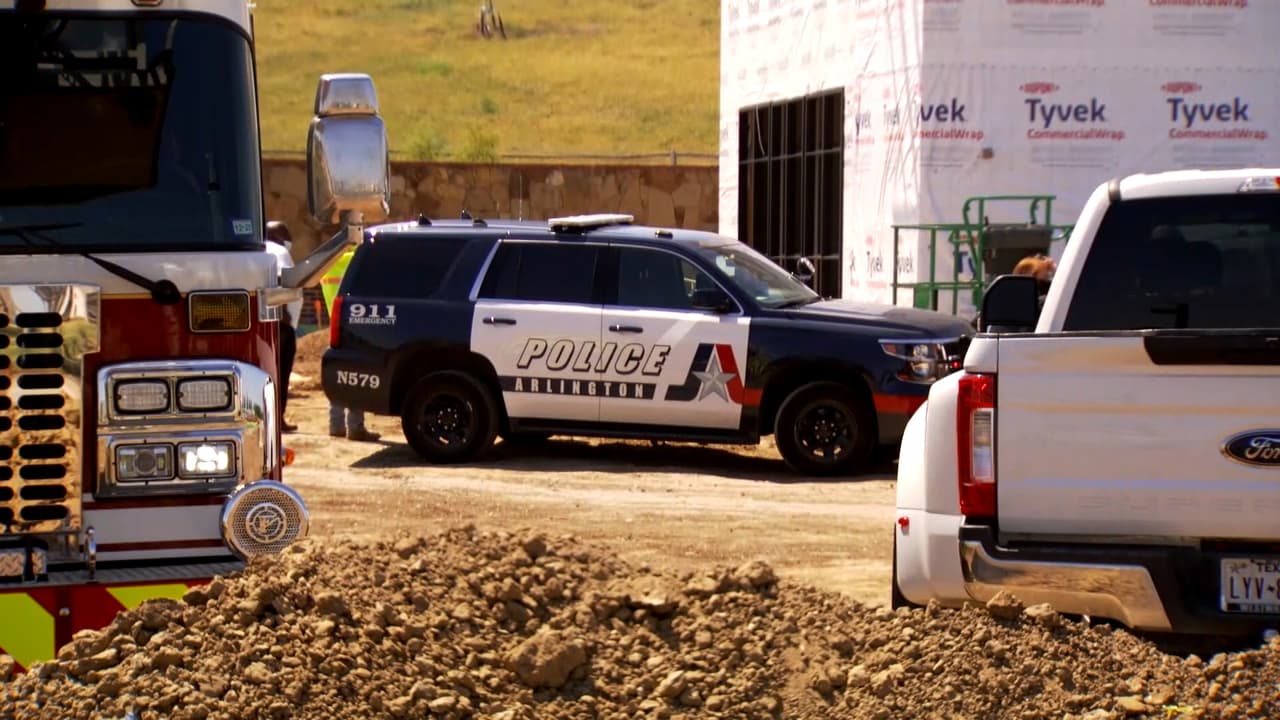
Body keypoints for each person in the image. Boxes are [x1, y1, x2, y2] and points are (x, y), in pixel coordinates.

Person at [320, 246, 381, 442]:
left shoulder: (328, 263)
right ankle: (356, 427)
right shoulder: (358, 260)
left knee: (338, 376)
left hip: (334, 323)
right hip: (355, 325)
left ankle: (335, 425)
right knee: (355, 376)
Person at [265, 221, 301, 433]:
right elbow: (281, 278)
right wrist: (283, 309)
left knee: (271, 371)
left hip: (275, 322)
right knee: (280, 371)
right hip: (281, 324)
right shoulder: (277, 251)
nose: (289, 240)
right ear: (277, 236)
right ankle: (277, 419)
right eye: (286, 233)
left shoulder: (261, 250)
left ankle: (274, 418)